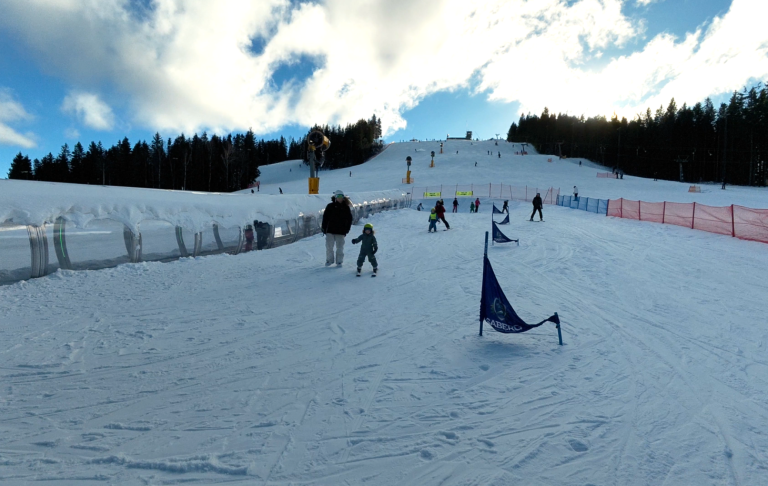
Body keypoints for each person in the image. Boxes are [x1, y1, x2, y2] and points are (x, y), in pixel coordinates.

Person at [321, 190, 353, 266]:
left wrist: (347, 229)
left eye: (341, 197)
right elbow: (325, 218)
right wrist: (324, 228)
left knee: (340, 247)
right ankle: (329, 260)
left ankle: (339, 261)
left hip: (341, 231)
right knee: (329, 246)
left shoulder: (346, 208)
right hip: (330, 230)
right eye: (338, 196)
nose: (340, 198)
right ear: (335, 197)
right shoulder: (330, 206)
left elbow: (349, 219)